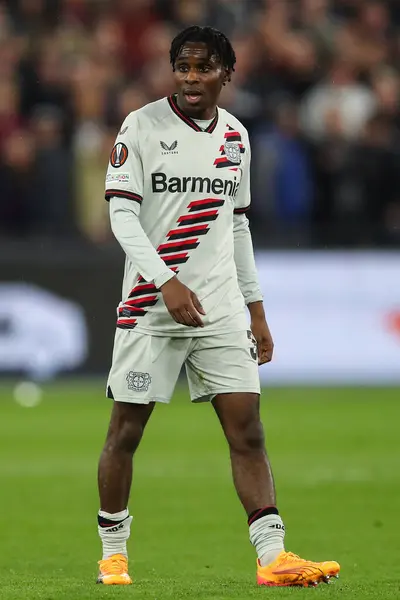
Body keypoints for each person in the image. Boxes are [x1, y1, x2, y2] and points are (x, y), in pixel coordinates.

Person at [96, 25, 340, 588]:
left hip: (221, 308)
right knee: (125, 432)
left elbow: (236, 223)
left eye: (204, 67)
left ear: (227, 72)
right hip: (150, 306)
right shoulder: (142, 126)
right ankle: (113, 553)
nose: (191, 77)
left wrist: (255, 310)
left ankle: (273, 557)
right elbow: (121, 216)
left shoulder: (235, 136)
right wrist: (163, 281)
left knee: (248, 430)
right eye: (183, 66)